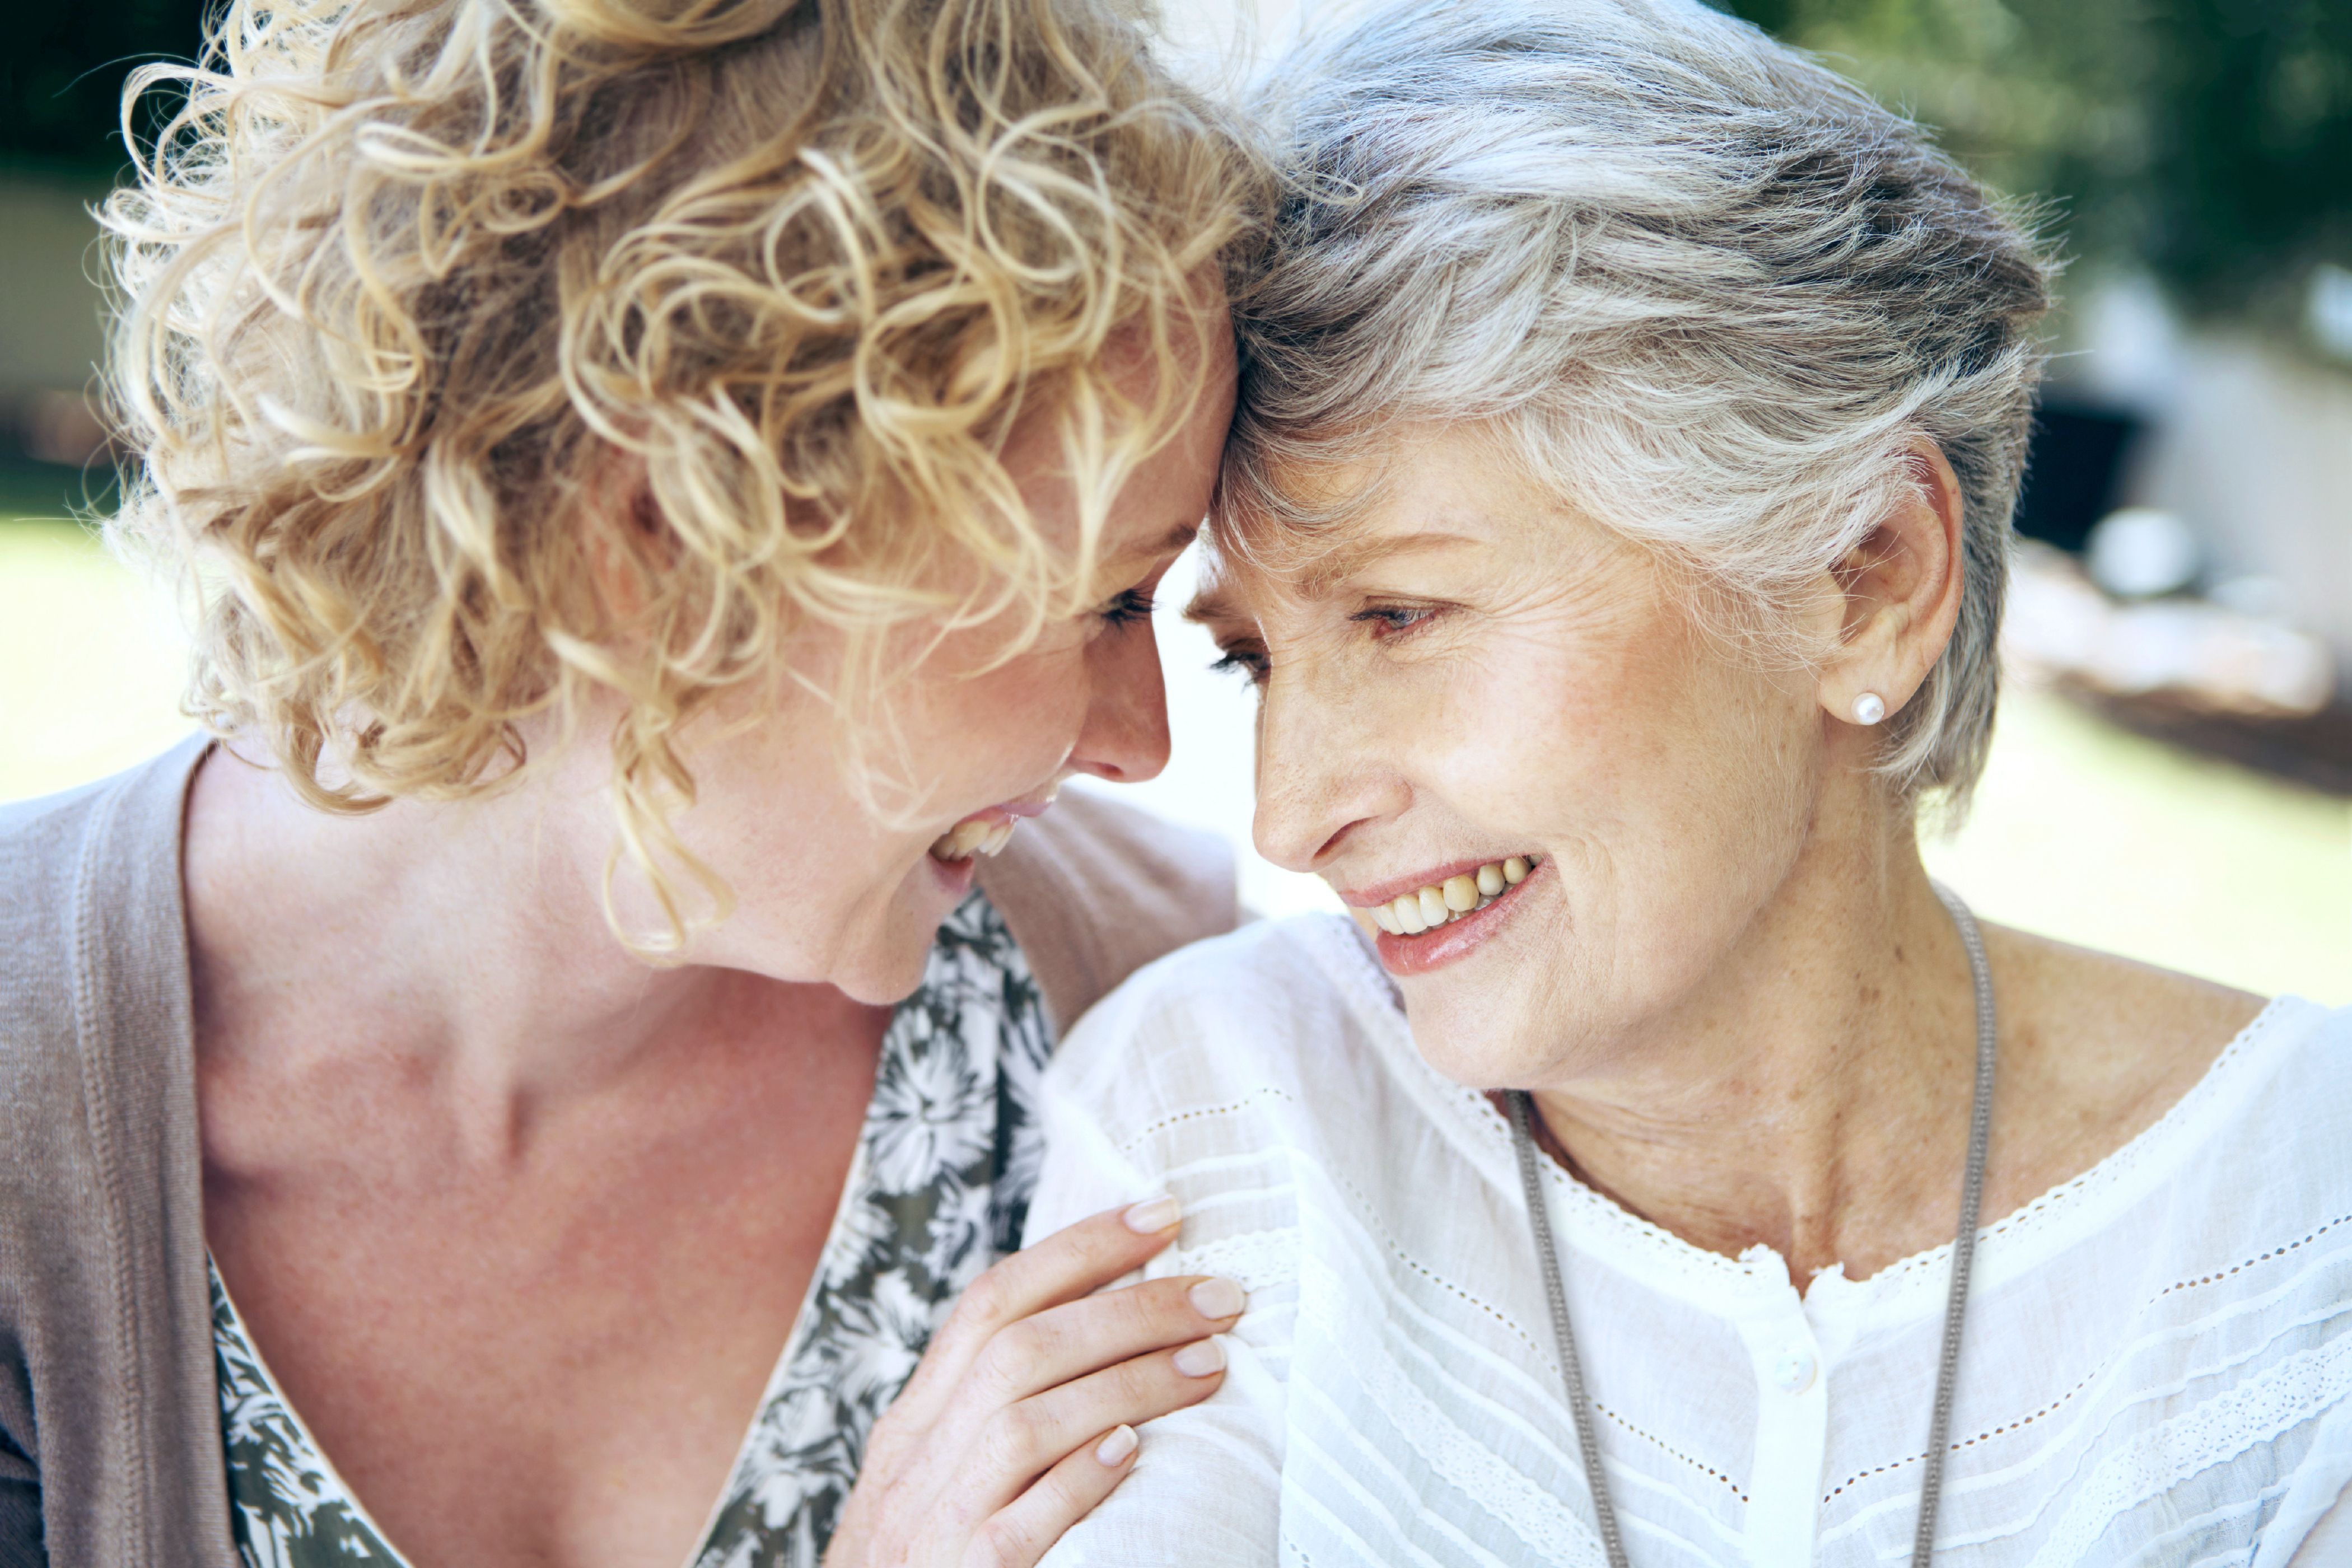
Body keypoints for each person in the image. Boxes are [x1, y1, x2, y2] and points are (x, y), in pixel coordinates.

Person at [1021, 1, 2352, 1562]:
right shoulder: (1217, 1123)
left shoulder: (2307, 1226)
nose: (1287, 812)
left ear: (1865, 578)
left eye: (1401, 615)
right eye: (1252, 658)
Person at [0, 0, 1271, 1563]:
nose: (1140, 742)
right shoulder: (25, 1119)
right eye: (1104, 601)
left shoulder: (1160, 1018)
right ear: (661, 544)